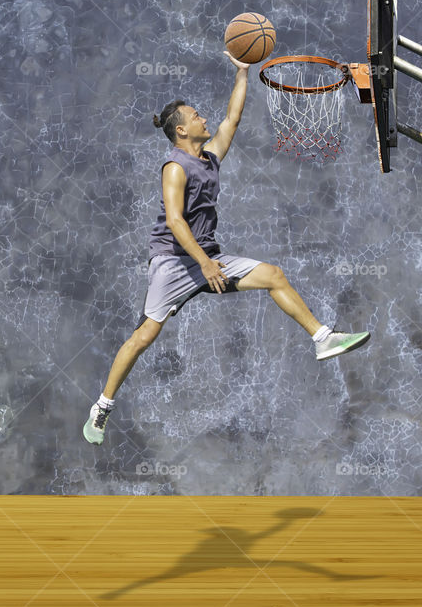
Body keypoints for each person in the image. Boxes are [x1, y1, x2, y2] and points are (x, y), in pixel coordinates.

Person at [83, 51, 371, 445]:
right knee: (144, 336)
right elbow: (175, 221)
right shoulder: (174, 167)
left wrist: (242, 73)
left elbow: (231, 119)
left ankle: (322, 339)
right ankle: (102, 406)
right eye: (195, 115)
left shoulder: (208, 158)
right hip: (175, 261)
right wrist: (204, 264)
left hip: (206, 257)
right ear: (181, 131)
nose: (203, 118)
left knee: (274, 275)